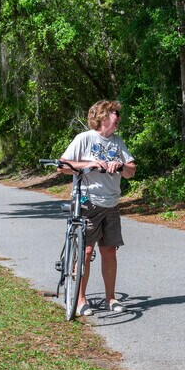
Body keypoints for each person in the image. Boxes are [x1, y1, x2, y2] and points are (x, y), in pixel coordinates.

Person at [59, 100, 136, 316]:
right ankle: (80, 300)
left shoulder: (117, 142)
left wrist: (120, 165)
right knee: (86, 250)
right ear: (102, 115)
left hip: (111, 203)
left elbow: (131, 171)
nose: (119, 117)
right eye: (115, 113)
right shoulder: (84, 139)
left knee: (109, 250)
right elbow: (62, 165)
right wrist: (88, 165)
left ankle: (110, 298)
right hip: (87, 201)